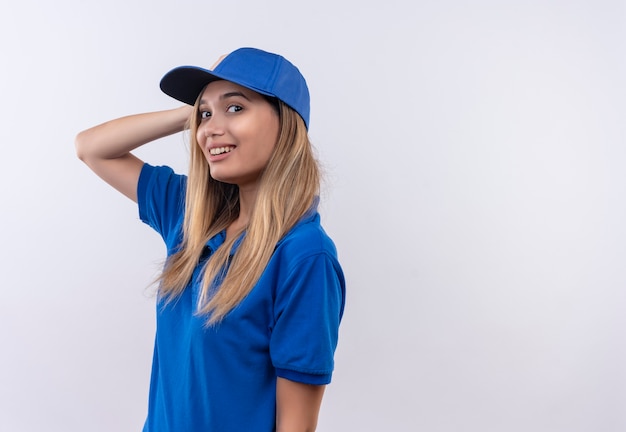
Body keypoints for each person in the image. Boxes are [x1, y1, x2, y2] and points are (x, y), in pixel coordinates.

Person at [75, 47, 346, 432]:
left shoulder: (304, 256)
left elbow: (296, 426)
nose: (209, 130)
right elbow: (92, 148)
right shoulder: (190, 216)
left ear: (286, 124)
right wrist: (189, 113)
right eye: (204, 114)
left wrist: (208, 107)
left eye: (235, 108)